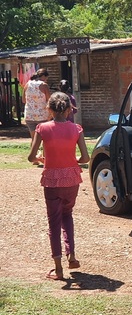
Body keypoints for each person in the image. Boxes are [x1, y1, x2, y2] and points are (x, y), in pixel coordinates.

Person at [27, 92, 90, 280]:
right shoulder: (76, 129)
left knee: (53, 221)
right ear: (69, 110)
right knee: (67, 214)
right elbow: (85, 158)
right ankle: (72, 255)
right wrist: (73, 160)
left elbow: (31, 157)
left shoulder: (42, 128)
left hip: (52, 180)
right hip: (72, 179)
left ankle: (58, 268)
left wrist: (40, 158)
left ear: (49, 109)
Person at [23, 68, 51, 140]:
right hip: (42, 116)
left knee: (34, 139)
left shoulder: (27, 84)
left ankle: (33, 151)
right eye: (46, 77)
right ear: (44, 76)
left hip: (29, 115)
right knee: (44, 138)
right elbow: (49, 100)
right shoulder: (44, 85)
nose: (46, 79)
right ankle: (44, 151)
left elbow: (23, 100)